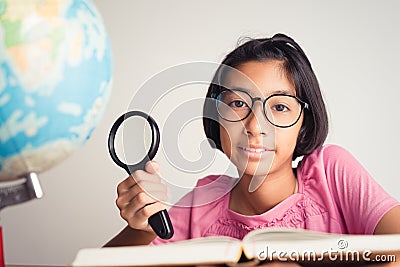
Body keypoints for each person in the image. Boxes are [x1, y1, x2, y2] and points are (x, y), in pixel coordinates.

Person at [104, 33, 400, 265]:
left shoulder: (332, 173)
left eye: (280, 107)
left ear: (304, 125)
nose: (255, 126)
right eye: (237, 104)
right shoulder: (201, 205)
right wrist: (141, 229)